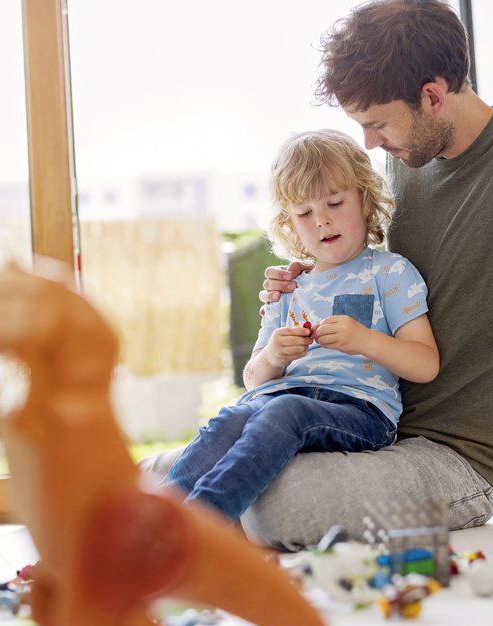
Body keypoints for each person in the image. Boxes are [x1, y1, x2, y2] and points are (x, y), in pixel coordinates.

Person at [145, 0, 493, 549]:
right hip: (358, 427)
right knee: (167, 471)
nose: (370, 143)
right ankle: (161, 516)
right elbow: (362, 274)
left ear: (432, 95)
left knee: (279, 508)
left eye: (377, 123)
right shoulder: (406, 161)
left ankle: (182, 523)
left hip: (454, 458)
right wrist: (296, 283)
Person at [162, 128, 438, 522]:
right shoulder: (289, 286)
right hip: (278, 398)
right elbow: (255, 380)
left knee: (282, 411)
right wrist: (274, 353)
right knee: (230, 419)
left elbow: (426, 364)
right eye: (305, 213)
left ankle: (200, 527)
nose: (322, 221)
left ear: (364, 199)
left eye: (335, 202)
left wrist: (364, 340)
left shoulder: (390, 272)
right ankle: (151, 521)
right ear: (289, 223)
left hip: (361, 411)